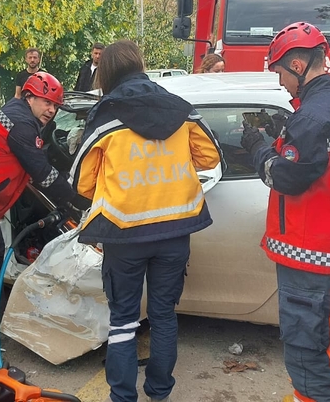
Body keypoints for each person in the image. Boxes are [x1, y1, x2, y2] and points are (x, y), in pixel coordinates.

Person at [70, 40, 223, 402]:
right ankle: (159, 393)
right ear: (140, 65)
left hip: (124, 235)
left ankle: (123, 397)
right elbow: (209, 157)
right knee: (164, 316)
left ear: (105, 73)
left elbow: (81, 182)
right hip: (175, 231)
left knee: (123, 321)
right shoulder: (180, 109)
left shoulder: (105, 115)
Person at [240, 22, 330, 402]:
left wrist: (258, 147)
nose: (280, 82)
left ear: (297, 65)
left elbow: (286, 177)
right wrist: (283, 136)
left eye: (280, 72)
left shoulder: (314, 118)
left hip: (314, 264)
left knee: (309, 360)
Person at [0, 71, 90, 348]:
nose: (51, 110)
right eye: (47, 102)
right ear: (29, 97)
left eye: (56, 105)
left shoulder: (15, 114)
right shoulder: (22, 124)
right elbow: (40, 172)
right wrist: (75, 201)